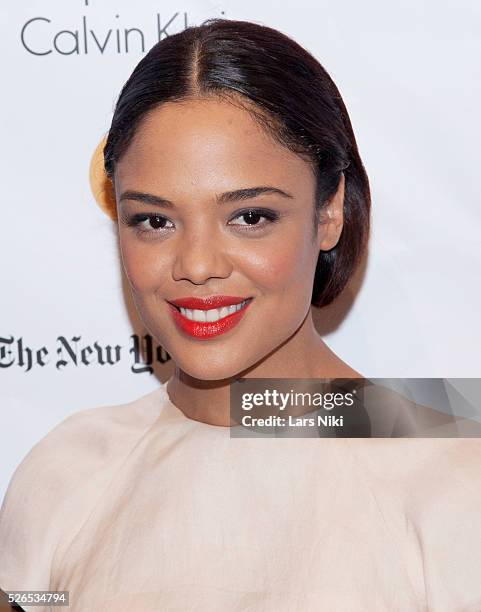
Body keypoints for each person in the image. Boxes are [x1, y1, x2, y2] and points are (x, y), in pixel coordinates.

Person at [1, 18, 481, 611]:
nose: (197, 266)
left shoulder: (456, 477)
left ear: (328, 211)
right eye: (154, 220)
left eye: (250, 216)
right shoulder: (65, 472)